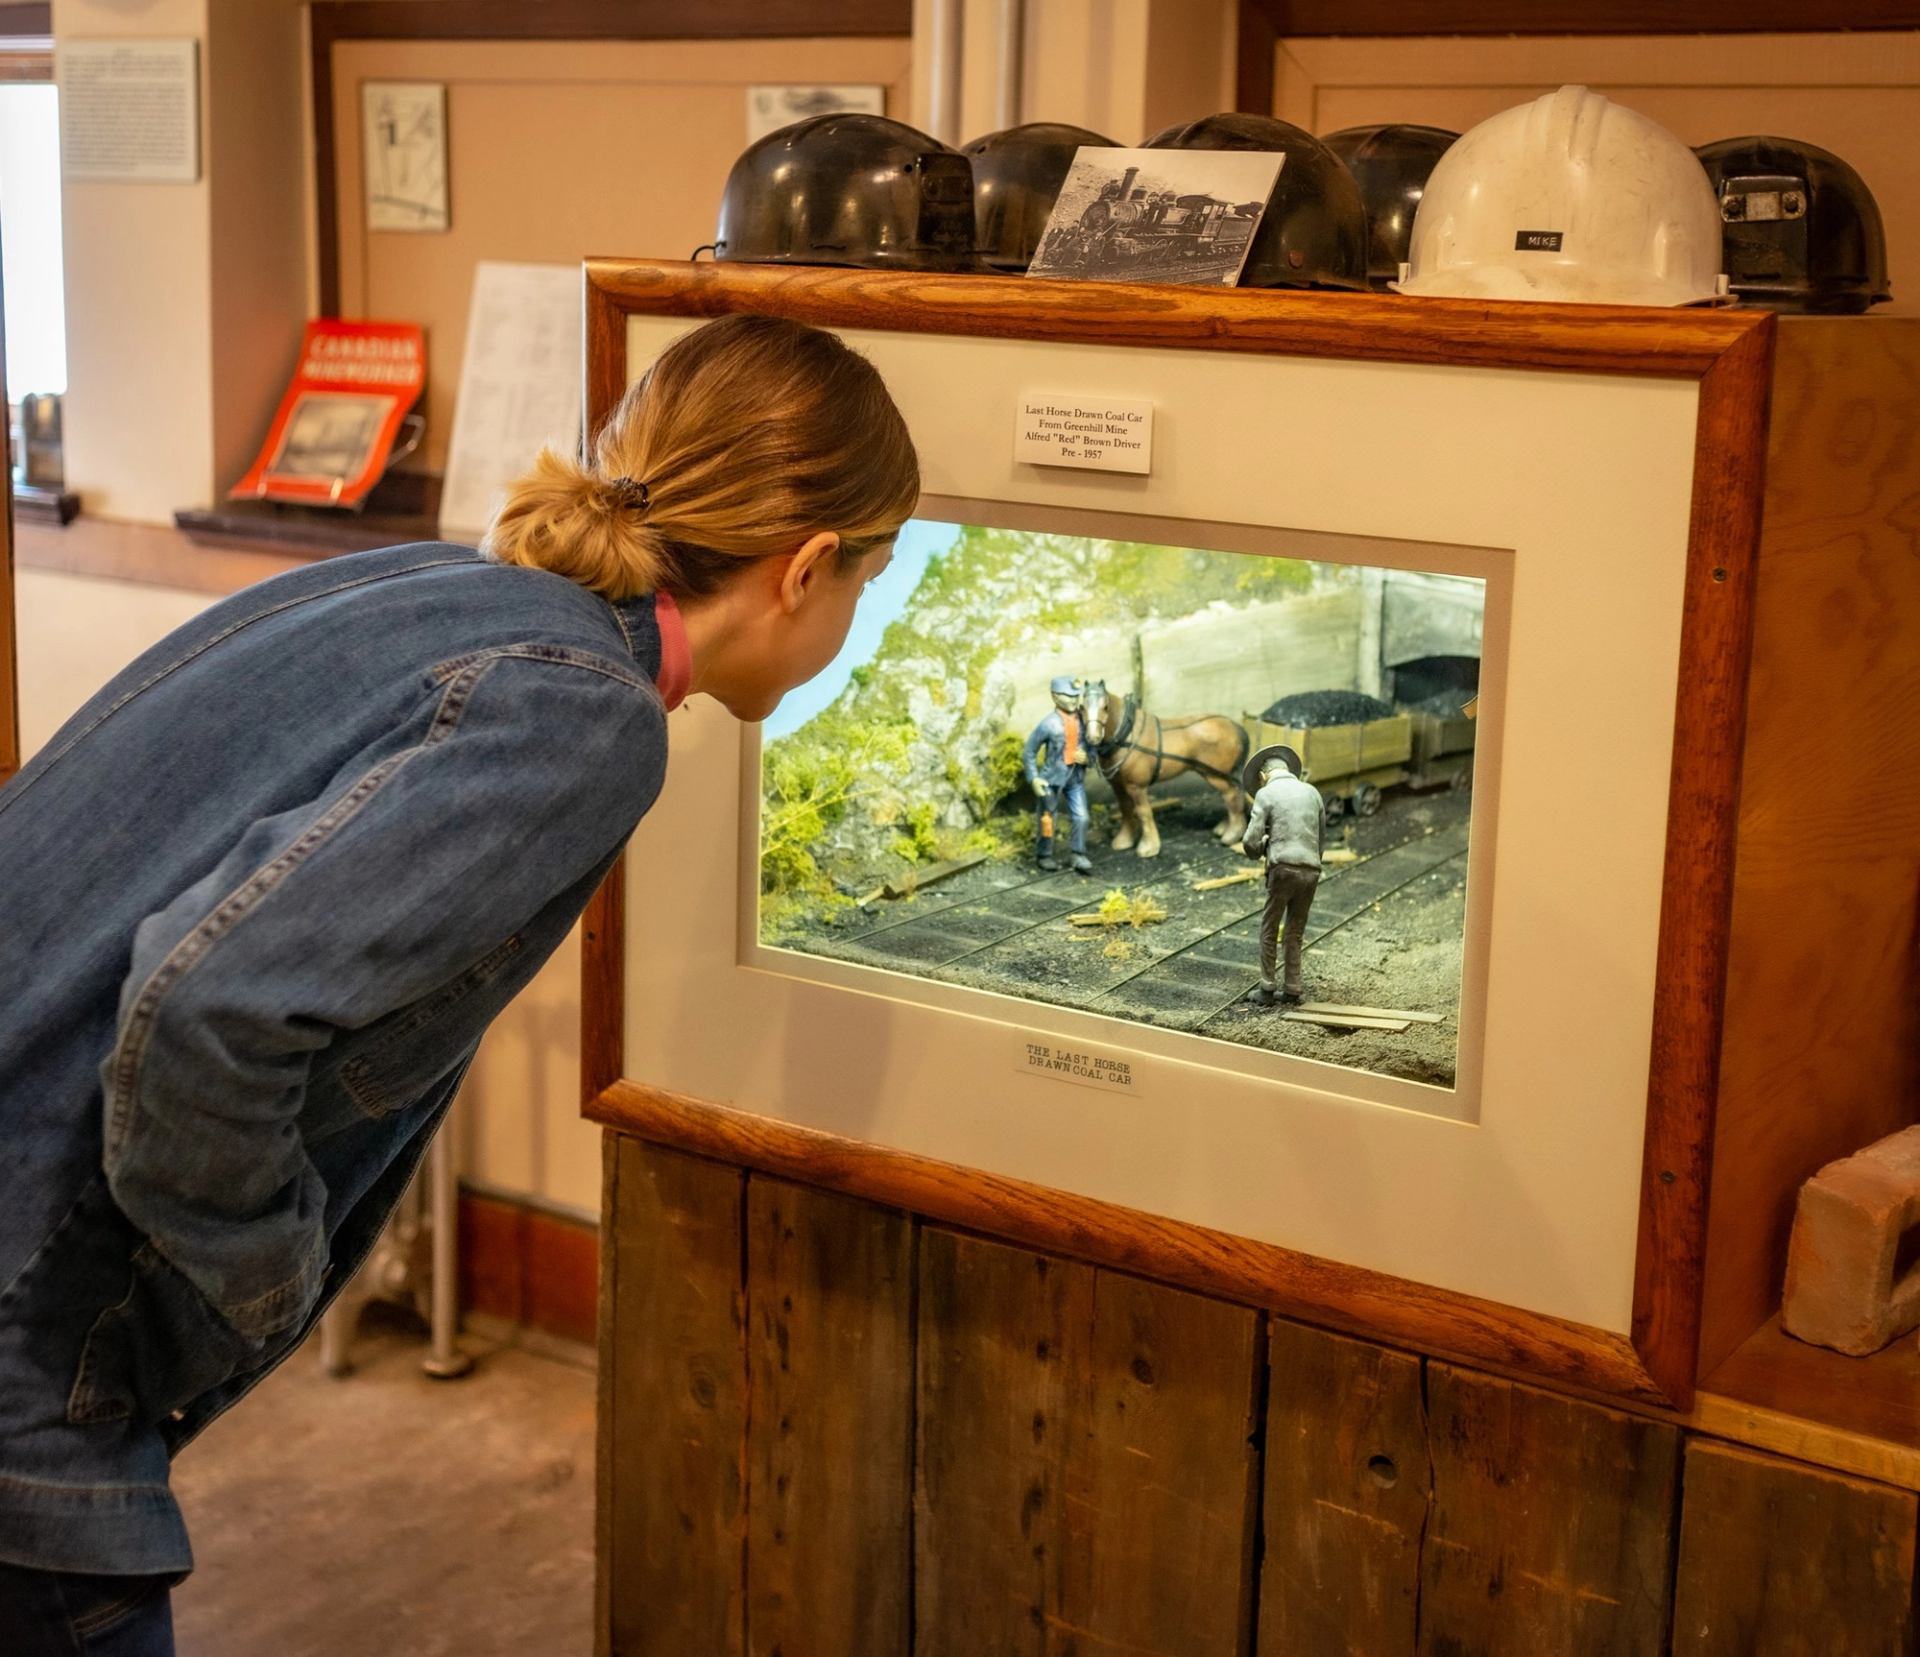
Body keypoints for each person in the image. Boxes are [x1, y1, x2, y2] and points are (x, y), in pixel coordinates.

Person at [0, 313, 919, 1652]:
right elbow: (213, 1012)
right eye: (870, 583)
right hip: (29, 1332)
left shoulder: (440, 591)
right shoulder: (585, 713)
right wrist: (258, 1282)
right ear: (809, 568)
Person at [1241, 744, 1325, 1006]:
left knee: (1269, 927)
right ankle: (1292, 987)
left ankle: (1267, 988)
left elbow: (1249, 842)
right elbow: (1321, 840)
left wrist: (1263, 846)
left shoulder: (1266, 794)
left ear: (1263, 776)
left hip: (1282, 868)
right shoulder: (1313, 793)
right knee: (1295, 930)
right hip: (1311, 869)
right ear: (1287, 769)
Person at [1022, 676, 1094, 874]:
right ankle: (1044, 854)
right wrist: (1034, 778)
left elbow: (1092, 747)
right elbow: (1029, 752)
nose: (1073, 700)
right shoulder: (1048, 724)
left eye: (1076, 696)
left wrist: (1087, 758)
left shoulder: (1084, 721)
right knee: (1047, 818)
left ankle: (1078, 854)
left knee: (1081, 817)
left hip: (1075, 777)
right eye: (1068, 696)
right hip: (1051, 780)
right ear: (1054, 697)